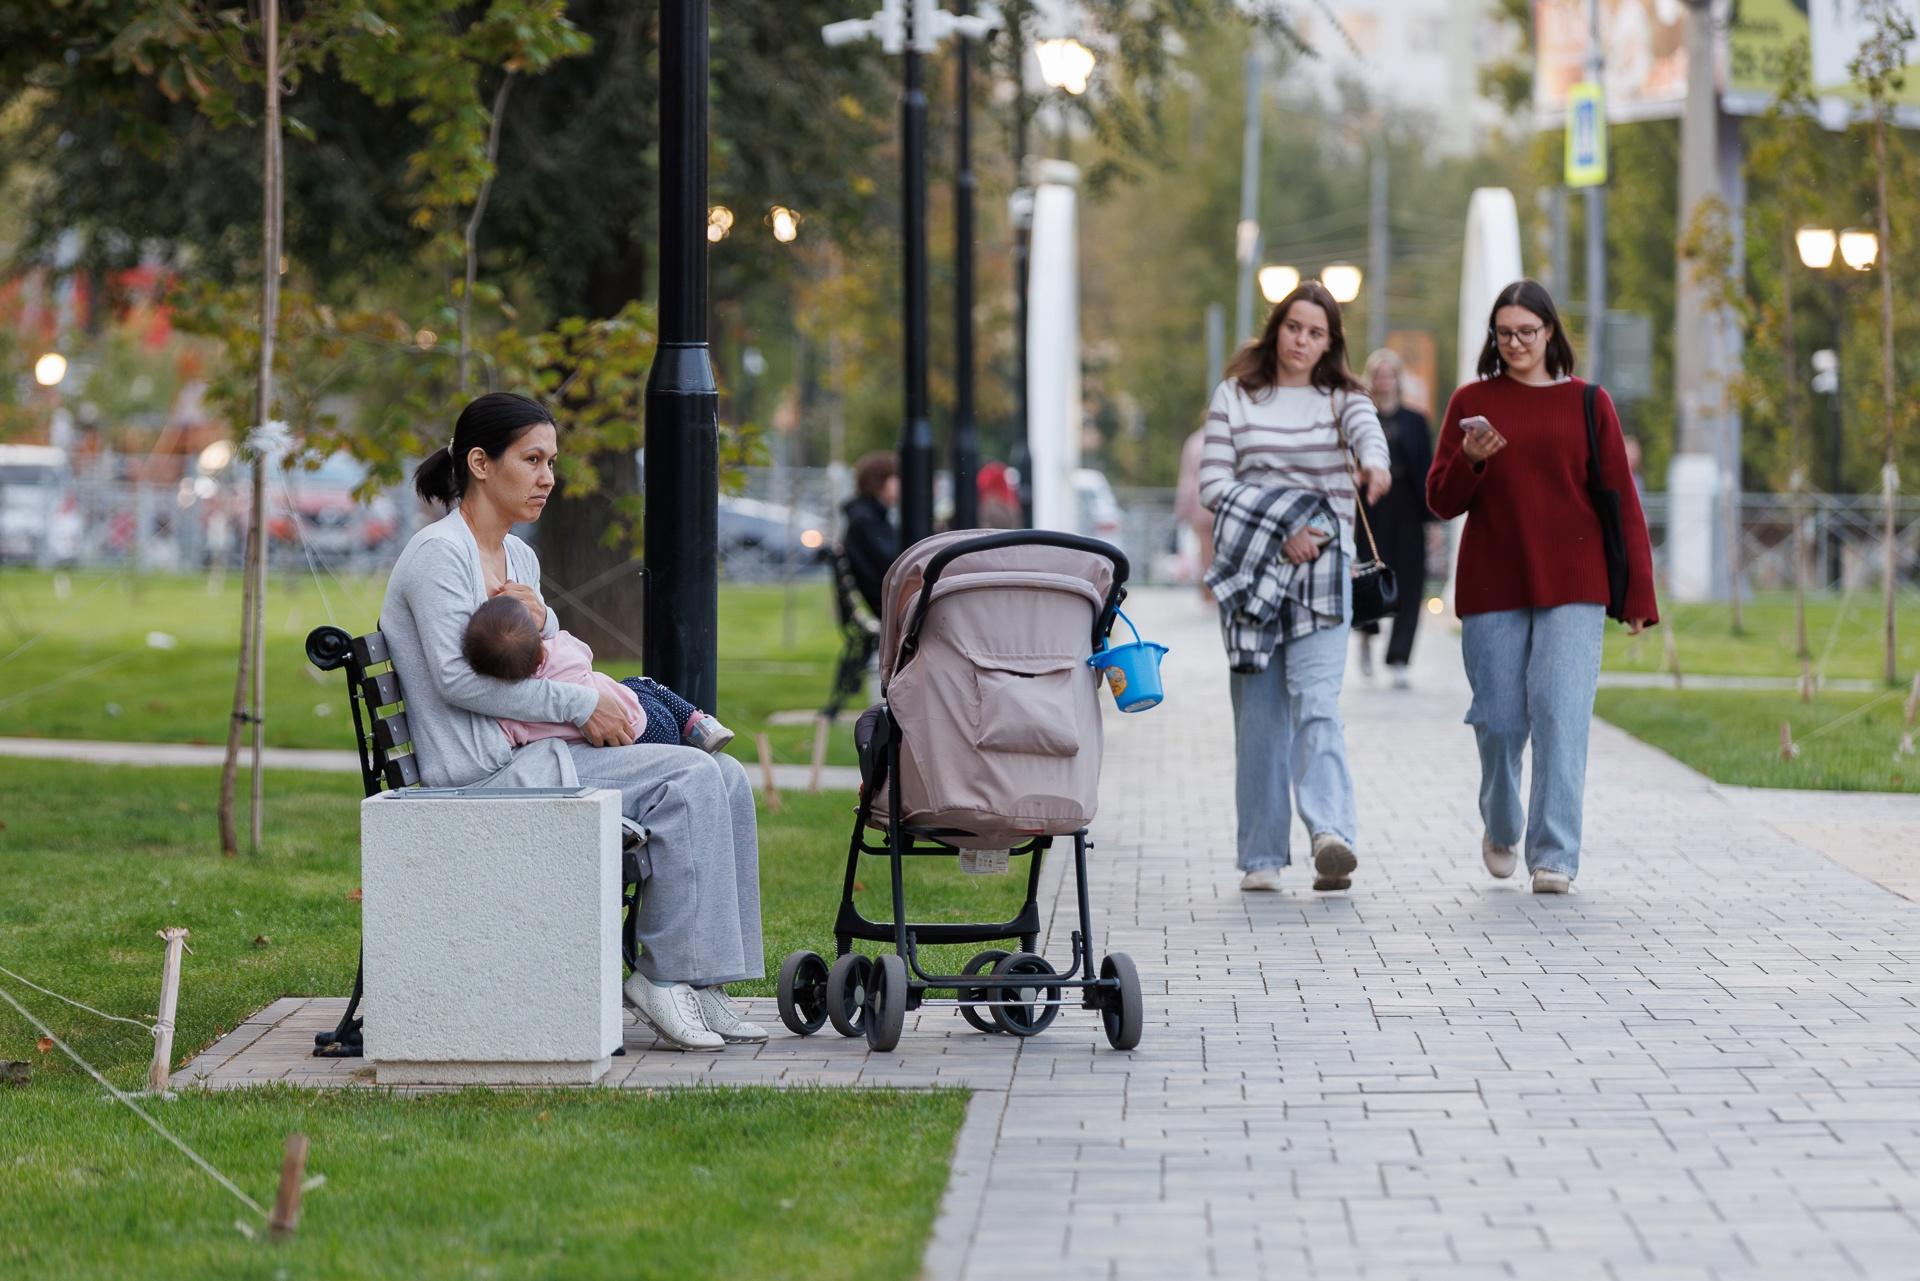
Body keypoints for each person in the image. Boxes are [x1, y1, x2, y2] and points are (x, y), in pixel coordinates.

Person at [383, 391, 764, 1051]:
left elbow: (544, 654)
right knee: (690, 776)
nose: (548, 477)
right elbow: (461, 679)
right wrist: (586, 706)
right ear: (479, 462)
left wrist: (563, 647)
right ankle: (662, 976)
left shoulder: (519, 557)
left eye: (551, 460)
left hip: (534, 753)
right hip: (485, 773)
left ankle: (706, 982)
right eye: (531, 459)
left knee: (725, 775)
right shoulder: (438, 555)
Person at [1426, 280, 1659, 895]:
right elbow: (1441, 500)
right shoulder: (1472, 401)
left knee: (1561, 714)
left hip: (1575, 582)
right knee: (1499, 721)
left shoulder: (1589, 402)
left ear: (1550, 331)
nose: (1516, 343)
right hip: (1494, 581)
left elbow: (1620, 503)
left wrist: (1637, 594)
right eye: (1504, 334)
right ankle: (1502, 825)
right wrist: (1471, 458)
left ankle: (1554, 855)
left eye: (1527, 332)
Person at [1200, 281, 1392, 894]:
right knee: (1257, 716)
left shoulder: (1343, 398)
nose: (1302, 341)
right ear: (1275, 328)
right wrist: (1283, 524)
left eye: (1316, 332)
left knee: (1316, 703)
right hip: (1252, 567)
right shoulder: (1236, 394)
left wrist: (1376, 465)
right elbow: (1213, 484)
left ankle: (1331, 834)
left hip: (1322, 571)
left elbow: (1370, 439)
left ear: (1330, 342)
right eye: (1293, 327)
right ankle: (1260, 854)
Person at [460, 596, 735, 752]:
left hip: (621, 742)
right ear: (540, 649)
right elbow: (585, 652)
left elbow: (506, 740)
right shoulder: (559, 651)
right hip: (645, 717)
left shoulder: (514, 715)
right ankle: (700, 726)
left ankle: (693, 735)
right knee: (642, 683)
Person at [1354, 349, 1437, 687]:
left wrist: (1431, 521)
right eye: (1379, 373)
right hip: (1371, 505)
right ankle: (1367, 636)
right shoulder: (1358, 418)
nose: (1384, 379)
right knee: (1370, 575)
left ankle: (1399, 656)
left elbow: (1427, 469)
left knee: (1411, 581)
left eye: (1390, 373)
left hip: (1407, 505)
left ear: (1398, 379)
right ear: (1371, 378)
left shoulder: (1416, 421)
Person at [842, 450, 900, 617]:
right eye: (895, 478)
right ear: (881, 481)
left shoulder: (866, 515)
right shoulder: (866, 520)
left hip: (884, 601)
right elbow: (893, 563)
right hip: (887, 606)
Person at [1174, 427, 1215, 604]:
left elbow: (1188, 480)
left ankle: (1209, 595)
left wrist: (1182, 510)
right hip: (1225, 504)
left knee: (1206, 555)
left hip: (1201, 505)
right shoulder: (1233, 435)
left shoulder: (1195, 441)